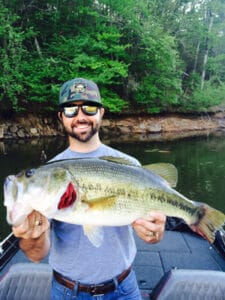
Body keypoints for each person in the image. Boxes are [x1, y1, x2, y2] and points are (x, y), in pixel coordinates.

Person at [13, 78, 166, 300]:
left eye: (90, 108)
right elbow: (37, 255)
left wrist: (154, 233)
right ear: (61, 116)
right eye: (70, 110)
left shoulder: (129, 164)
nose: (81, 116)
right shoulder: (47, 177)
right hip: (67, 292)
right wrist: (32, 236)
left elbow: (151, 230)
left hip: (124, 288)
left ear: (101, 113)